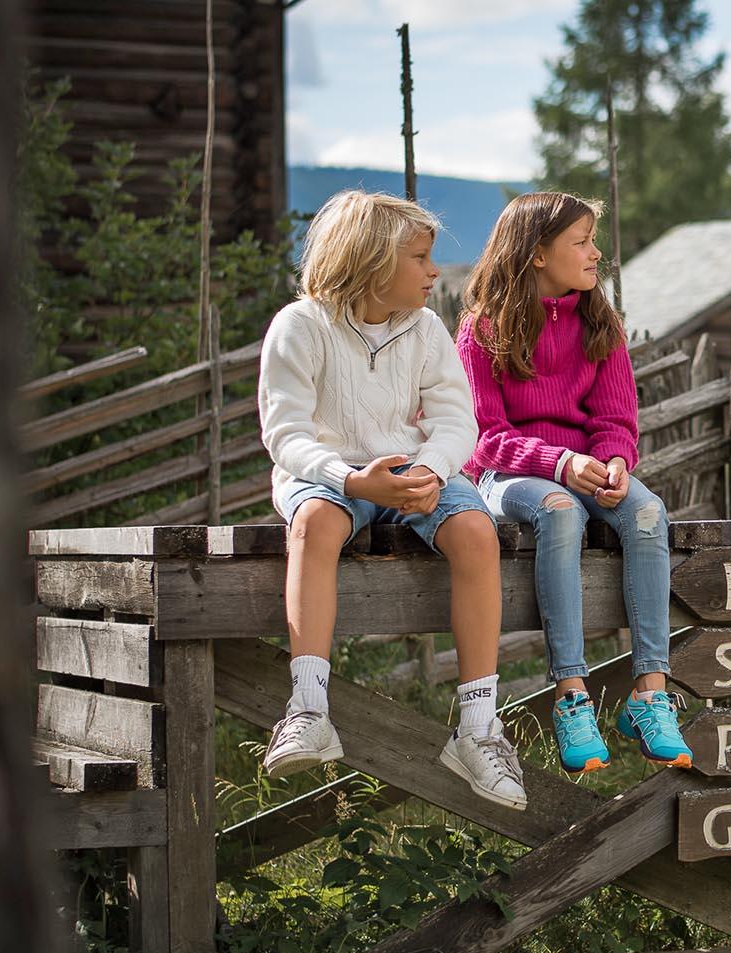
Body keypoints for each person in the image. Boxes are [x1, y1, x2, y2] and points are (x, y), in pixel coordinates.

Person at [256, 190, 527, 810]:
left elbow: (459, 421)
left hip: (412, 469)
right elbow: (286, 434)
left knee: (476, 535)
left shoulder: (427, 328)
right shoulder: (300, 326)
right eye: (421, 258)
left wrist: (430, 472)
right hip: (328, 473)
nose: (434, 272)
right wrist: (350, 480)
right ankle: (308, 709)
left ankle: (479, 728)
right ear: (373, 261)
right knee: (315, 526)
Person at [456, 191, 693, 774]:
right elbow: (483, 436)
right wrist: (560, 463)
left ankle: (650, 694)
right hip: (509, 476)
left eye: (594, 241)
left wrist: (615, 461)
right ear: (538, 253)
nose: (596, 255)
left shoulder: (599, 323)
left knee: (646, 512)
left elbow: (616, 418)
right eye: (582, 243)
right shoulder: (483, 331)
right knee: (561, 509)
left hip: (589, 469)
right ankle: (571, 695)